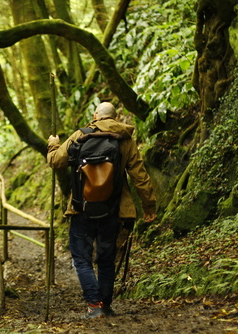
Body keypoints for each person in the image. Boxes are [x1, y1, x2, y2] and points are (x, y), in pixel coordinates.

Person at [47, 102, 156, 319]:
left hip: (82, 208)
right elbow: (140, 176)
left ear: (95, 116)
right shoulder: (125, 139)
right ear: (115, 118)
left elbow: (55, 161)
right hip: (113, 209)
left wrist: (53, 144)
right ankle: (105, 305)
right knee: (106, 259)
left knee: (81, 258)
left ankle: (94, 305)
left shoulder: (80, 135)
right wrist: (149, 206)